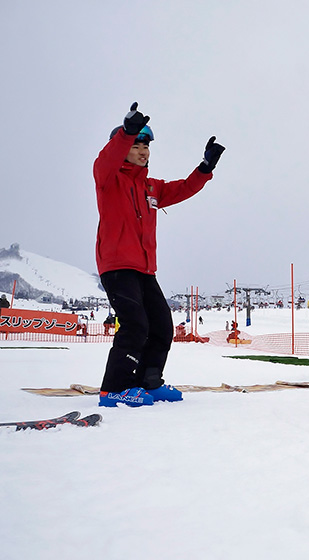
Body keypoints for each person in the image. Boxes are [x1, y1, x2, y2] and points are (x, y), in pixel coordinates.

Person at [95, 102, 225, 407]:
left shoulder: (151, 187)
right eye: (136, 144)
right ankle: (114, 388)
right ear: (122, 146)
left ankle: (148, 382)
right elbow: (105, 160)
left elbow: (182, 189)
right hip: (117, 266)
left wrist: (204, 168)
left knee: (162, 325)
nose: (143, 150)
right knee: (135, 325)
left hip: (144, 269)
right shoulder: (109, 180)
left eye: (146, 145)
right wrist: (125, 133)